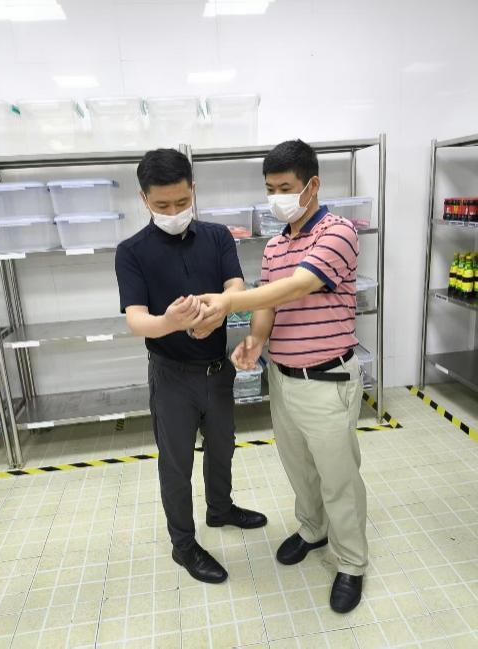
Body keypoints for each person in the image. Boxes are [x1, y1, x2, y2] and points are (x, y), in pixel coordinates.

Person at [195, 139, 367, 612]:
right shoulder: (274, 244)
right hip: (284, 378)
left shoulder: (338, 232)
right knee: (299, 467)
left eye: (286, 188)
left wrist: (228, 301)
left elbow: (299, 286)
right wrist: (255, 339)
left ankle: (352, 562)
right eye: (270, 189)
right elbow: (270, 302)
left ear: (313, 185)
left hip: (327, 380)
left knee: (338, 477)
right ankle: (312, 530)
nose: (277, 198)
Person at [115, 149, 267, 585]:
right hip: (172, 376)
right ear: (144, 199)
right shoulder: (132, 252)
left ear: (193, 191)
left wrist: (219, 314)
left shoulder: (218, 237)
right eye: (162, 205)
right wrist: (169, 322)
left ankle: (220, 508)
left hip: (217, 370)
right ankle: (183, 544)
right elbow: (135, 319)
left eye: (181, 202)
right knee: (176, 463)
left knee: (223, 447)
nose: (173, 212)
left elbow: (235, 286)